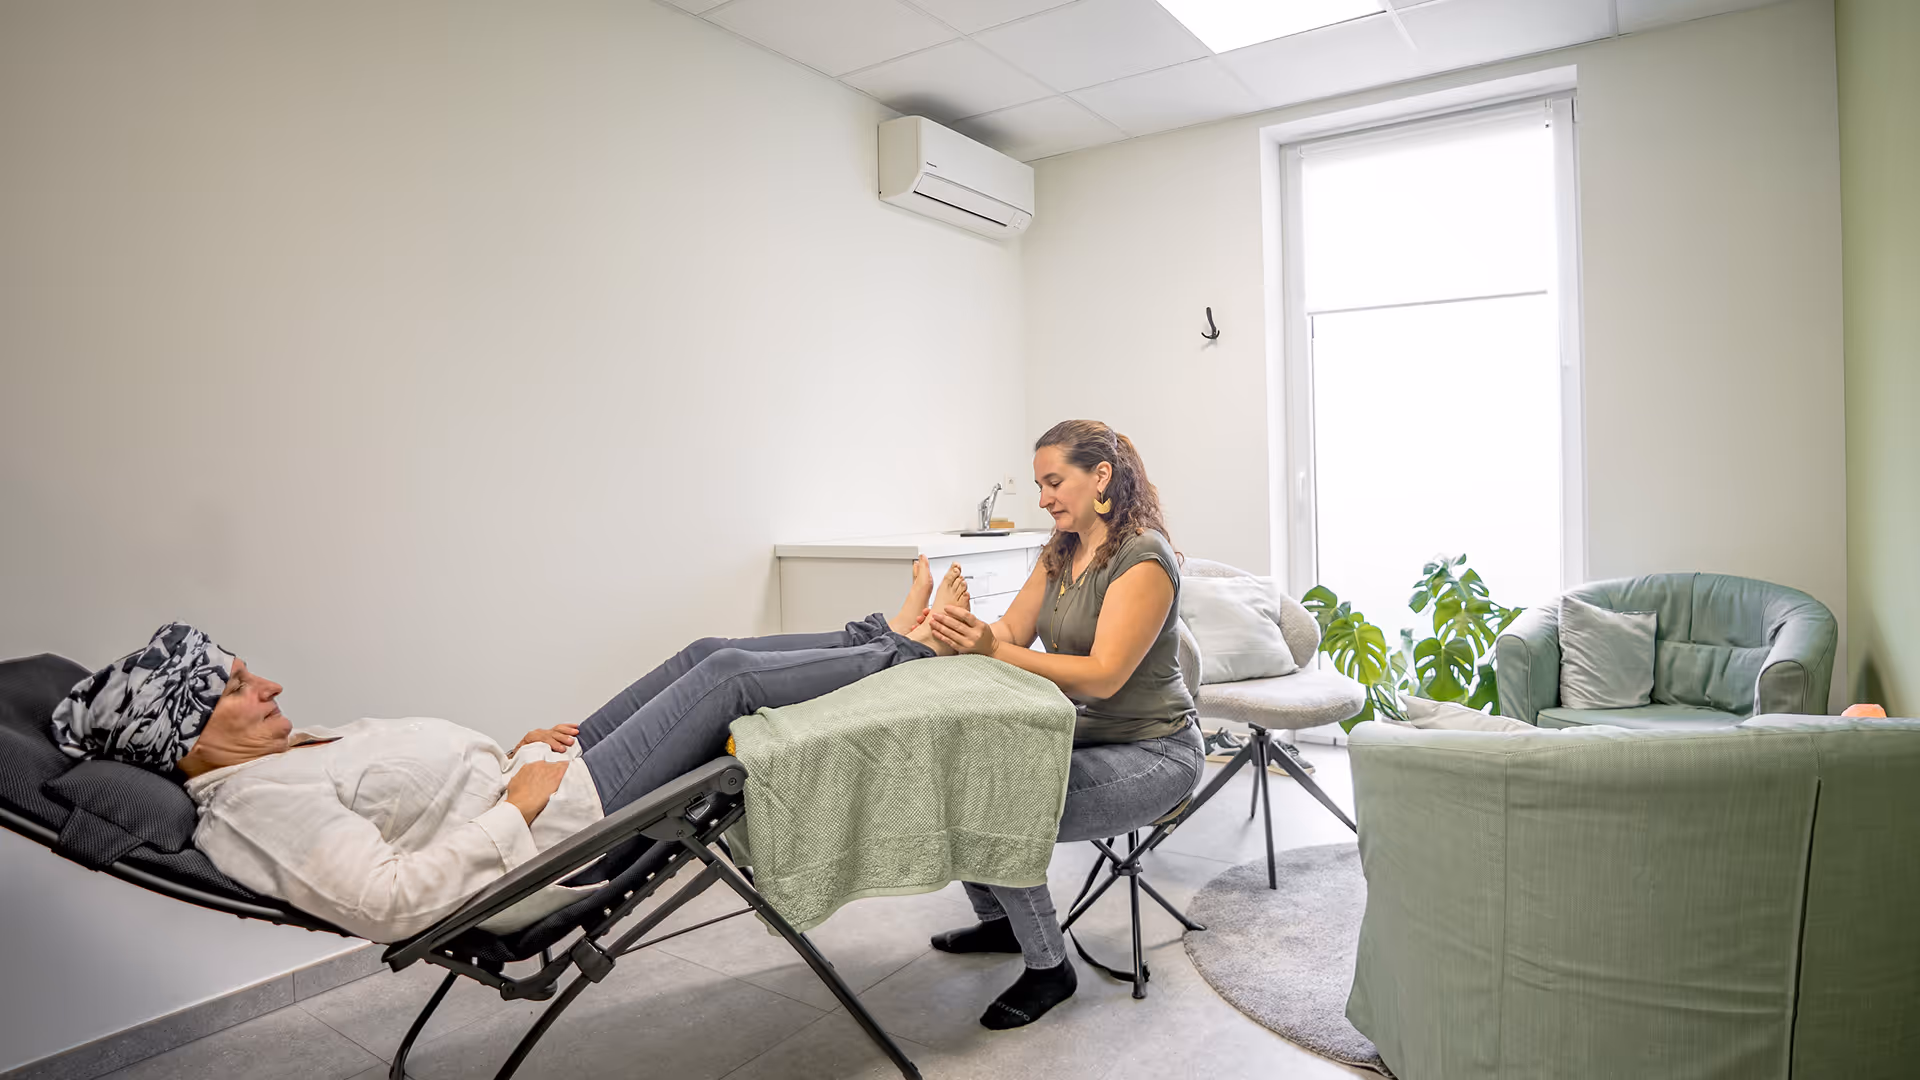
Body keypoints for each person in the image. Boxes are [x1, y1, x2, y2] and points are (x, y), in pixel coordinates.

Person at [48, 564, 973, 943]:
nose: (271, 689)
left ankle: (878, 631)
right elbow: (389, 901)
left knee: (699, 656)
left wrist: (515, 756)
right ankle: (914, 648)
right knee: (729, 677)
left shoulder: (271, 763)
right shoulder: (257, 808)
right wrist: (521, 804)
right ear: (184, 739)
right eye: (238, 688)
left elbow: (416, 805)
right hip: (565, 831)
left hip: (543, 781)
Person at [922, 419, 1203, 1030]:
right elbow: (1012, 634)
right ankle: (1001, 924)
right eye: (1040, 485)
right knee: (955, 770)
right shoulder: (1062, 550)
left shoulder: (1143, 556)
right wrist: (955, 624)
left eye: (1054, 482)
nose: (1044, 498)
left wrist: (987, 648)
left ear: (1100, 476)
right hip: (1085, 732)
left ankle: (1051, 968)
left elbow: (1103, 676)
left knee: (1000, 802)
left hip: (1156, 751)